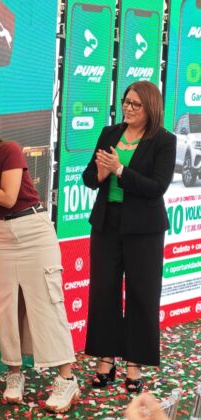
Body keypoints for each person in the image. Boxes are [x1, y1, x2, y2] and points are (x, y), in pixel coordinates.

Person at [0, 104, 79, 414]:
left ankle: (66, 379)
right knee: (7, 306)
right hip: (1, 234)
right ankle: (14, 374)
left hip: (33, 229)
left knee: (47, 303)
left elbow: (8, 197)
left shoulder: (9, 150)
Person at [82, 81, 176, 393]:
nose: (128, 108)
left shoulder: (164, 140)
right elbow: (89, 177)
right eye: (126, 101)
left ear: (151, 108)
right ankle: (105, 360)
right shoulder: (110, 133)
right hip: (107, 223)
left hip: (145, 229)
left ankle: (134, 364)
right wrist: (101, 173)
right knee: (104, 290)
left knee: (142, 293)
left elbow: (157, 187)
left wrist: (121, 170)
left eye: (136, 104)